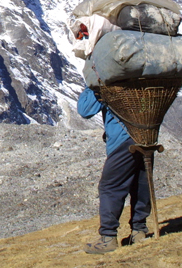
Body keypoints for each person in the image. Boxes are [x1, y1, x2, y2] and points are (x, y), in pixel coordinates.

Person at [78, 86, 151, 254]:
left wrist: (90, 86)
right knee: (140, 185)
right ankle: (139, 232)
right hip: (147, 136)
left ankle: (108, 238)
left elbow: (85, 110)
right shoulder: (143, 77)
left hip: (123, 140)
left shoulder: (108, 80)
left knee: (110, 187)